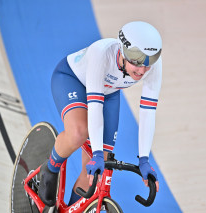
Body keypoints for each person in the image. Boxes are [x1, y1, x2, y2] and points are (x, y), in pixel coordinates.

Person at [38, 21, 162, 207]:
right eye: (137, 62)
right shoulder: (102, 53)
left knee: (98, 169)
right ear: (123, 51)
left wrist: (144, 159)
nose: (142, 71)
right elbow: (95, 105)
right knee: (79, 133)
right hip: (72, 79)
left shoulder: (153, 64)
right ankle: (50, 169)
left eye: (148, 64)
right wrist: (95, 152)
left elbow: (148, 112)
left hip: (108, 92)